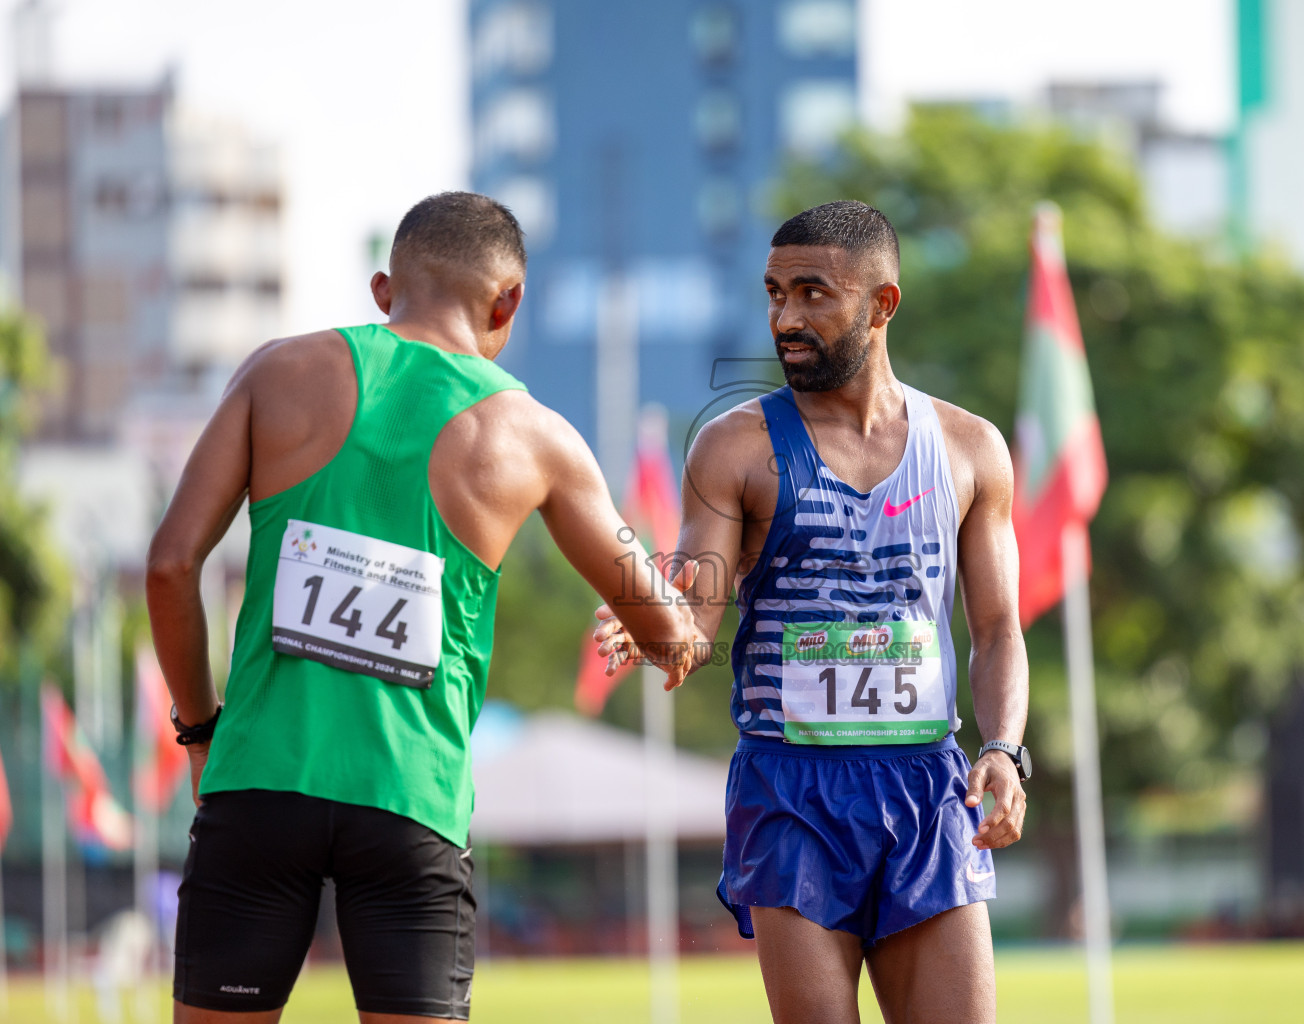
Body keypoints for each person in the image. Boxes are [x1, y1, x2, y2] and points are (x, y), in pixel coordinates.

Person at [146, 191, 703, 1024]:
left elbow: (167, 566)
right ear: (508, 302)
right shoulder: (537, 435)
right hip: (411, 804)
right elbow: (665, 629)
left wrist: (199, 732)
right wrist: (668, 627)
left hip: (260, 780)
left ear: (383, 290)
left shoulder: (276, 371)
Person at [597, 200, 1030, 1023]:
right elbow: (696, 620)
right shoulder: (735, 446)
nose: (784, 318)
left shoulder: (971, 449)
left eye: (811, 294)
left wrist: (1005, 749)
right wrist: (651, 617)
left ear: (882, 304)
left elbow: (998, 628)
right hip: (792, 789)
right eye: (772, 294)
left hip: (926, 787)